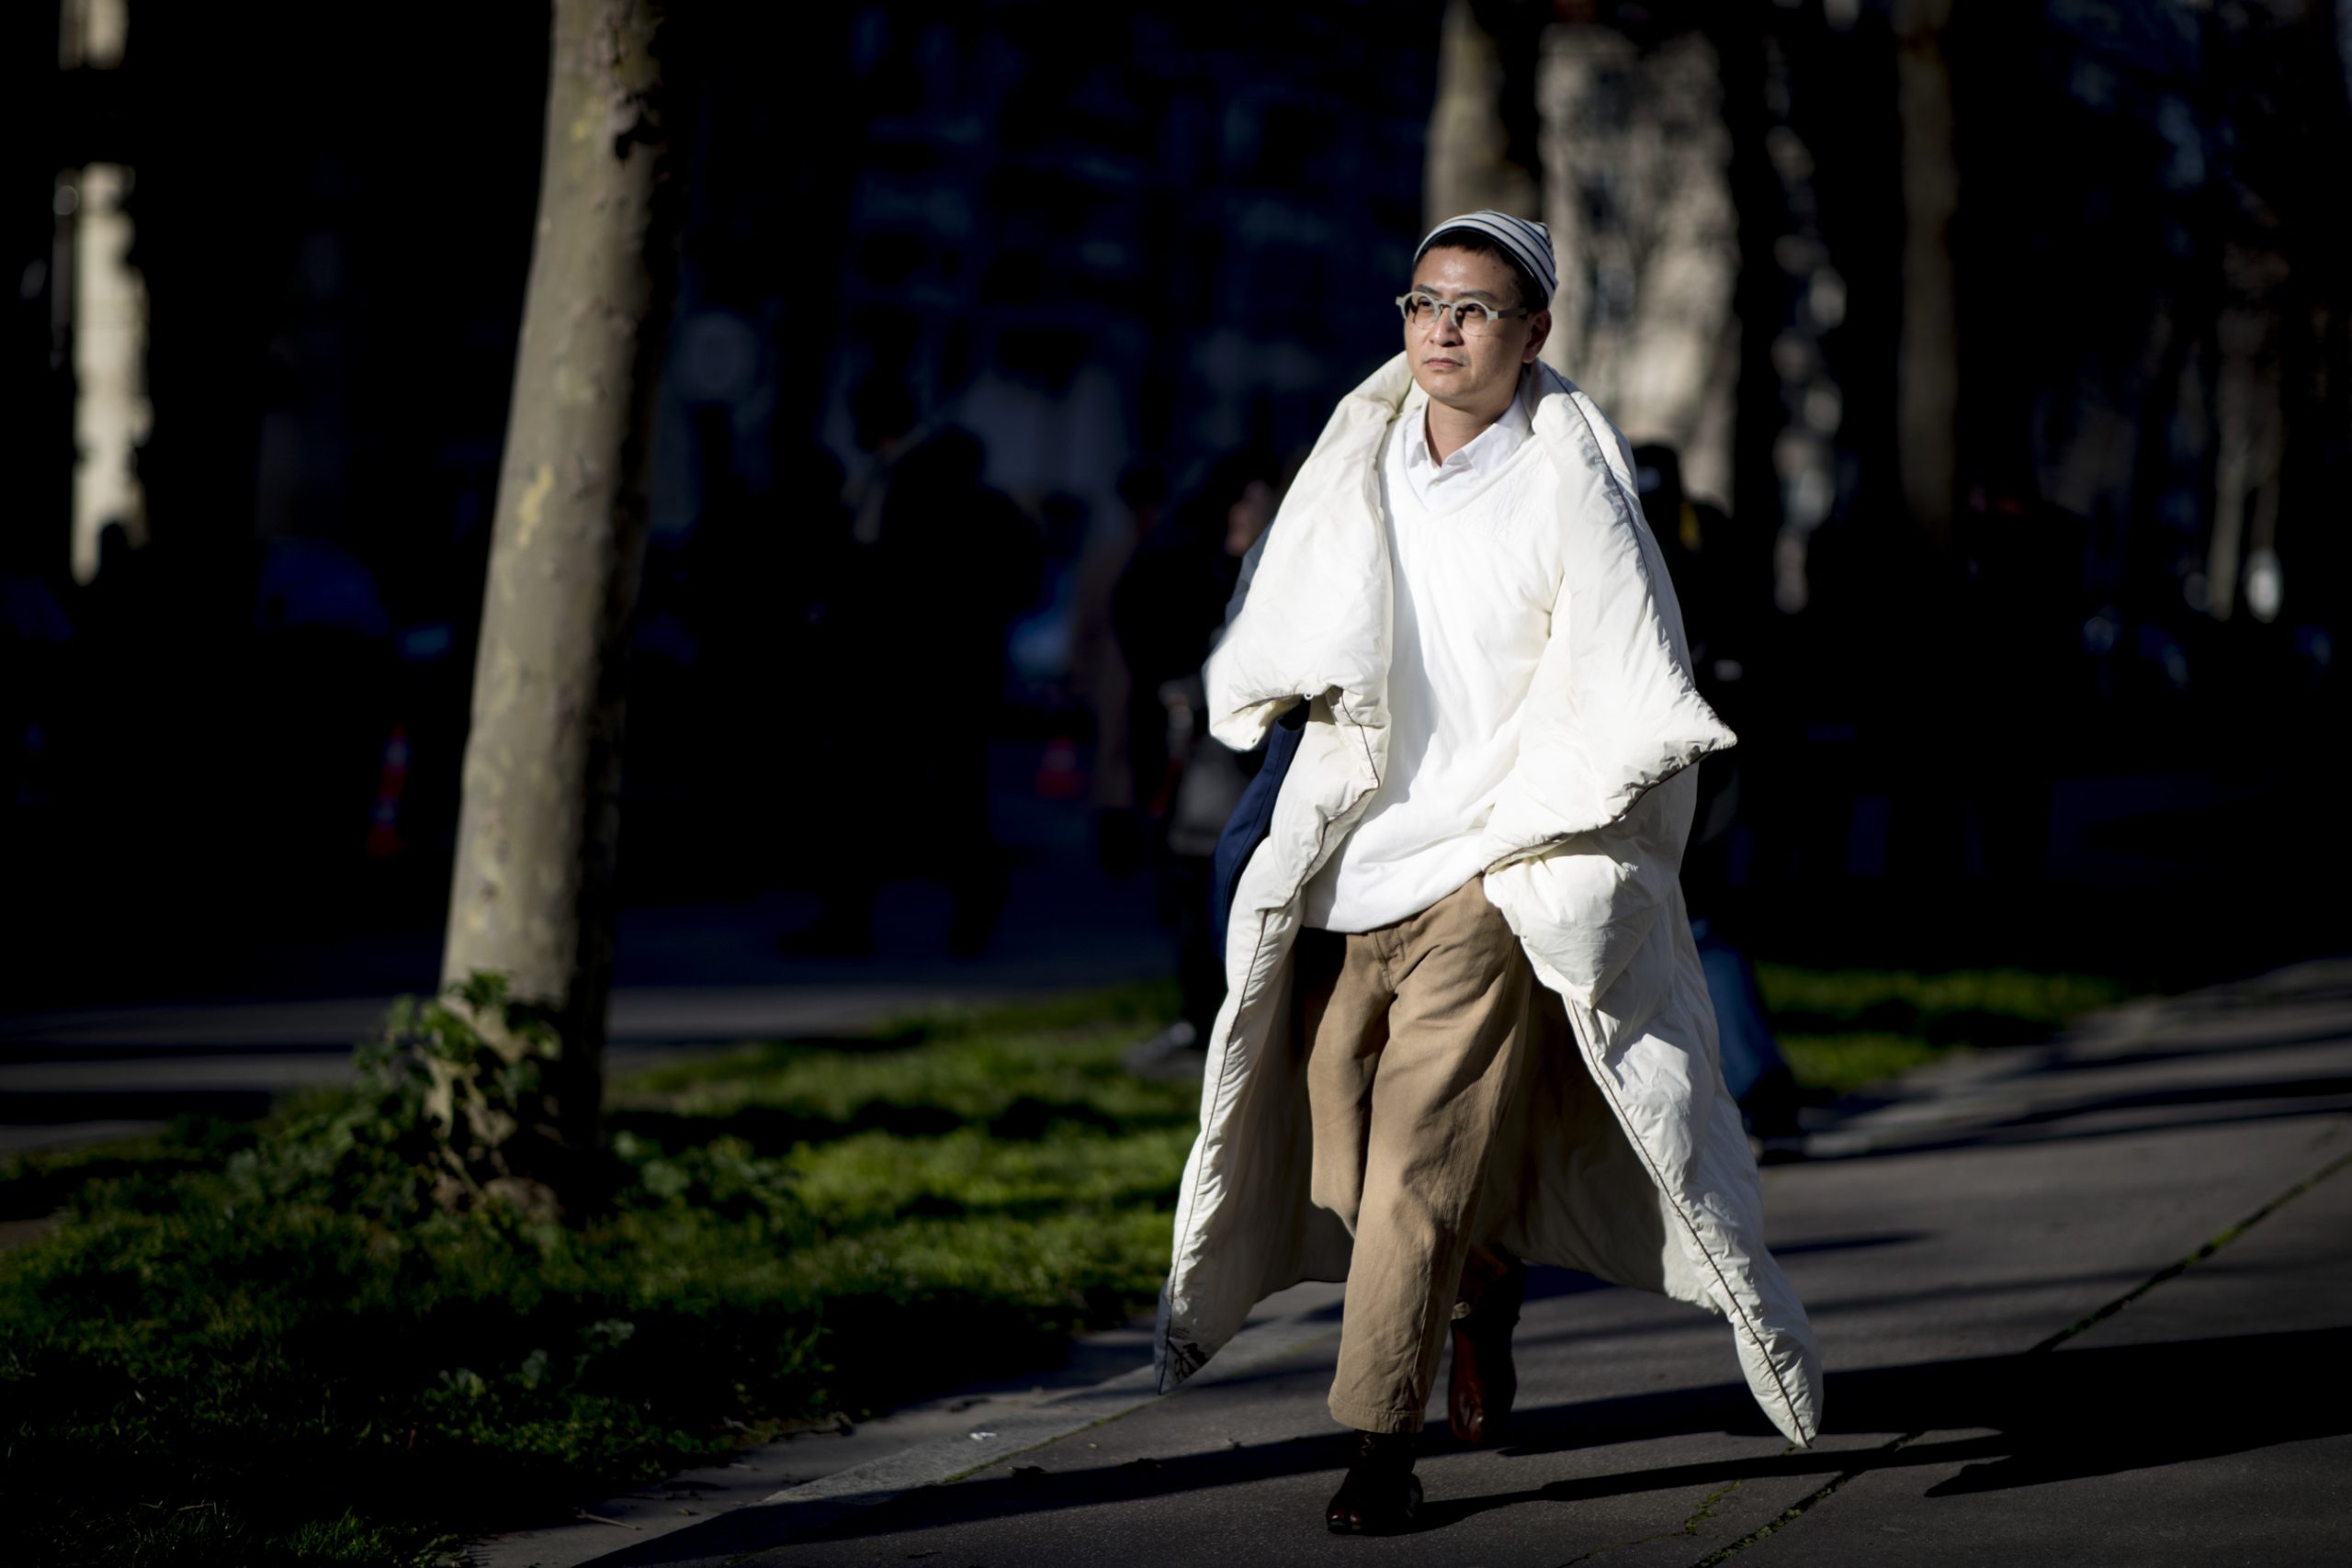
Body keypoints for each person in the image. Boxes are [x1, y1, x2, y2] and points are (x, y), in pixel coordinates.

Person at [1154, 212, 1823, 1534]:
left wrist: (1562, 819)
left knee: (1412, 1165)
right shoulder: (1362, 459)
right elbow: (1285, 615)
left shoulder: (1572, 482)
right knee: (1339, 1157)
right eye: (1424, 304)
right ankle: (1482, 1286)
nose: (1443, 330)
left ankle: (1376, 1451)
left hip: (1489, 867)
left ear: (1534, 336)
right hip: (1356, 873)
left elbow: (1628, 665)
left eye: (1474, 309)